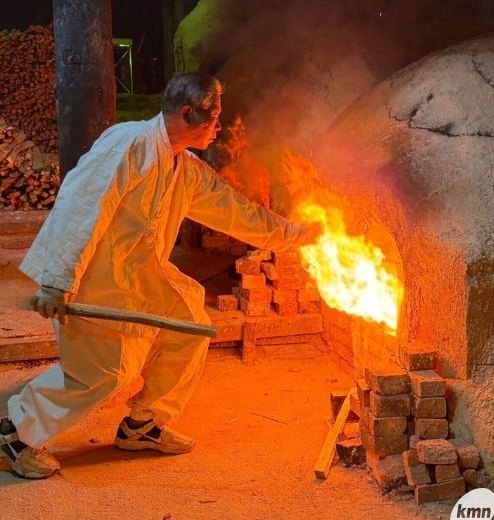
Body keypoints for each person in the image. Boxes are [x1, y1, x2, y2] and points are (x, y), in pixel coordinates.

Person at [0, 72, 318, 479]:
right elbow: (82, 206)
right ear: (187, 114)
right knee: (102, 373)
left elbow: (236, 212)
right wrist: (56, 282)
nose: (219, 127)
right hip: (96, 278)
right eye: (214, 118)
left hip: (141, 276)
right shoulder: (128, 144)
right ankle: (16, 432)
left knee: (189, 326)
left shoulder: (185, 167)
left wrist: (297, 237)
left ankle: (143, 424)